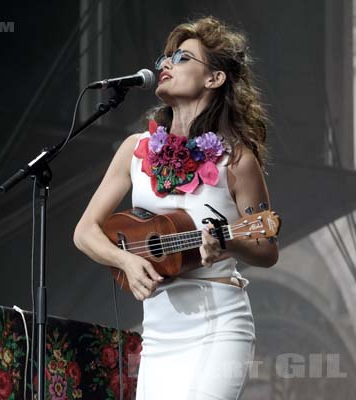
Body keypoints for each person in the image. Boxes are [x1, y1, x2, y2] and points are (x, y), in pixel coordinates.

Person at [74, 16, 278, 399]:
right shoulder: (134, 150)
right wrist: (127, 262)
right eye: (164, 59)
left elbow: (267, 248)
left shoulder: (236, 161)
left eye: (182, 58)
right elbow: (84, 232)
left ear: (214, 79)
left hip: (217, 323)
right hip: (158, 328)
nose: (165, 65)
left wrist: (227, 244)